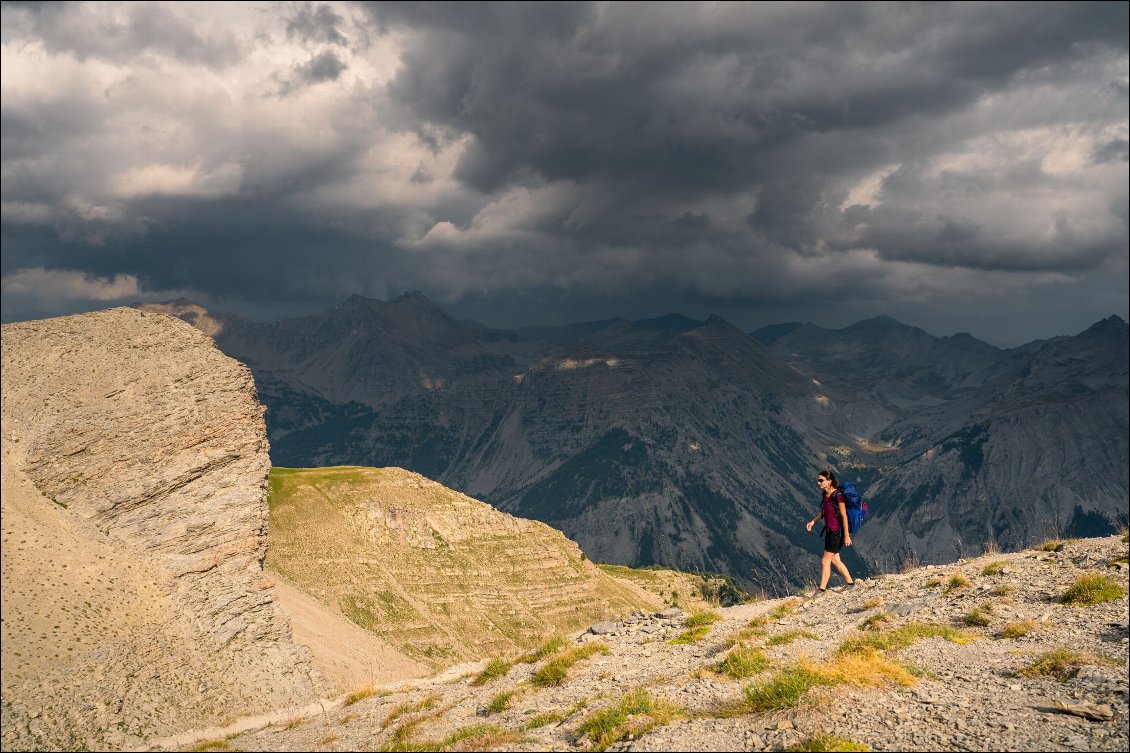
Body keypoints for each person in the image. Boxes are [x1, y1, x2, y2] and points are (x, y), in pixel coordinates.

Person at [805, 469, 855, 593]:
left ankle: (821, 590)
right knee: (835, 560)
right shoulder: (825, 495)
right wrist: (813, 521)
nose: (819, 483)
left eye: (821, 480)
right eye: (818, 480)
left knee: (825, 560)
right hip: (829, 531)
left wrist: (847, 536)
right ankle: (851, 584)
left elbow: (844, 516)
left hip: (836, 532)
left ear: (829, 481)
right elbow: (825, 512)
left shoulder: (838, 496)